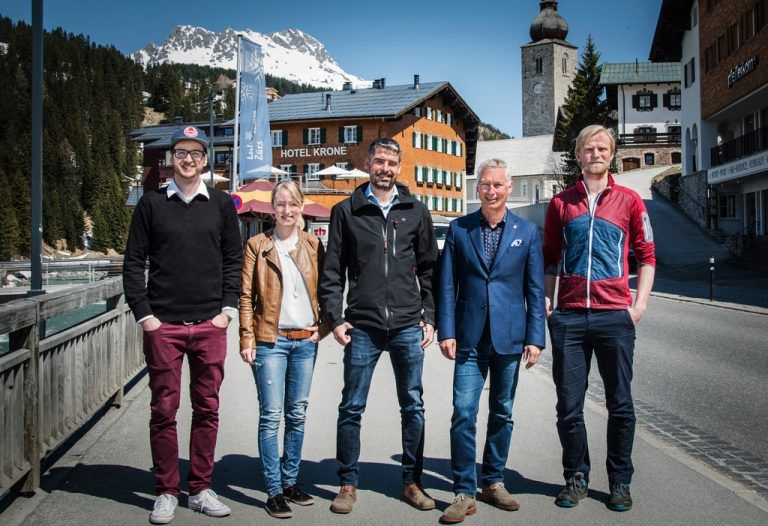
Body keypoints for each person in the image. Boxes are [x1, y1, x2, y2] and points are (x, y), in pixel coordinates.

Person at [123, 126, 242, 524]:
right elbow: (132, 263)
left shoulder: (222, 205)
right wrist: (147, 316)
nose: (188, 159)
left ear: (206, 160)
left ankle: (201, 488)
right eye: (180, 152)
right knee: (164, 410)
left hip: (210, 324)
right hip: (165, 327)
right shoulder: (151, 204)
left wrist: (226, 311)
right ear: (170, 159)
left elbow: (233, 262)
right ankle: (166, 490)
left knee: (207, 408)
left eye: (195, 152)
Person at [319, 138, 439, 514]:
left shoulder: (416, 211)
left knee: (413, 406)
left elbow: (431, 270)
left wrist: (429, 317)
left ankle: (412, 482)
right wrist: (335, 319)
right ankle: (347, 482)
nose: (384, 168)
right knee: (352, 407)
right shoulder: (346, 211)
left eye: (391, 162)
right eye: (379, 161)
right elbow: (332, 271)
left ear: (399, 167)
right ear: (368, 162)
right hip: (363, 326)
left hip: (406, 324)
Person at [542, 125, 655, 512]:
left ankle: (620, 480)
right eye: (588, 148)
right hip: (570, 318)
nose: (595, 153)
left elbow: (648, 256)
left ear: (612, 153)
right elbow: (550, 257)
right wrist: (548, 304)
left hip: (614, 317)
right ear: (578, 155)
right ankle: (576, 476)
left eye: (602, 148)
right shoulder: (561, 203)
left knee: (620, 404)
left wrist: (638, 306)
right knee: (568, 405)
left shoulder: (630, 201)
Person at [436, 159, 546, 523]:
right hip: (468, 338)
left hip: (510, 337)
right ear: (477, 188)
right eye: (485, 184)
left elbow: (534, 287)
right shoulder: (459, 229)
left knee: (502, 413)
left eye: (498, 185)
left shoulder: (527, 233)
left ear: (509, 188)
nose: (491, 190)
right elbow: (447, 284)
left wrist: (536, 337)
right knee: (463, 413)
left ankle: (494, 481)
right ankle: (464, 490)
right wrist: (446, 330)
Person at [239, 180, 327, 518]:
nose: (286, 210)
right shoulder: (257, 246)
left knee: (297, 414)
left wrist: (325, 326)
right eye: (280, 204)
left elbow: (328, 289)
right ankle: (274, 489)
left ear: (301, 207)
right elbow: (246, 296)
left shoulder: (313, 245)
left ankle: (290, 481)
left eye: (292, 204)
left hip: (305, 340)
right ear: (272, 208)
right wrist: (247, 338)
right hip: (269, 341)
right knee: (271, 416)